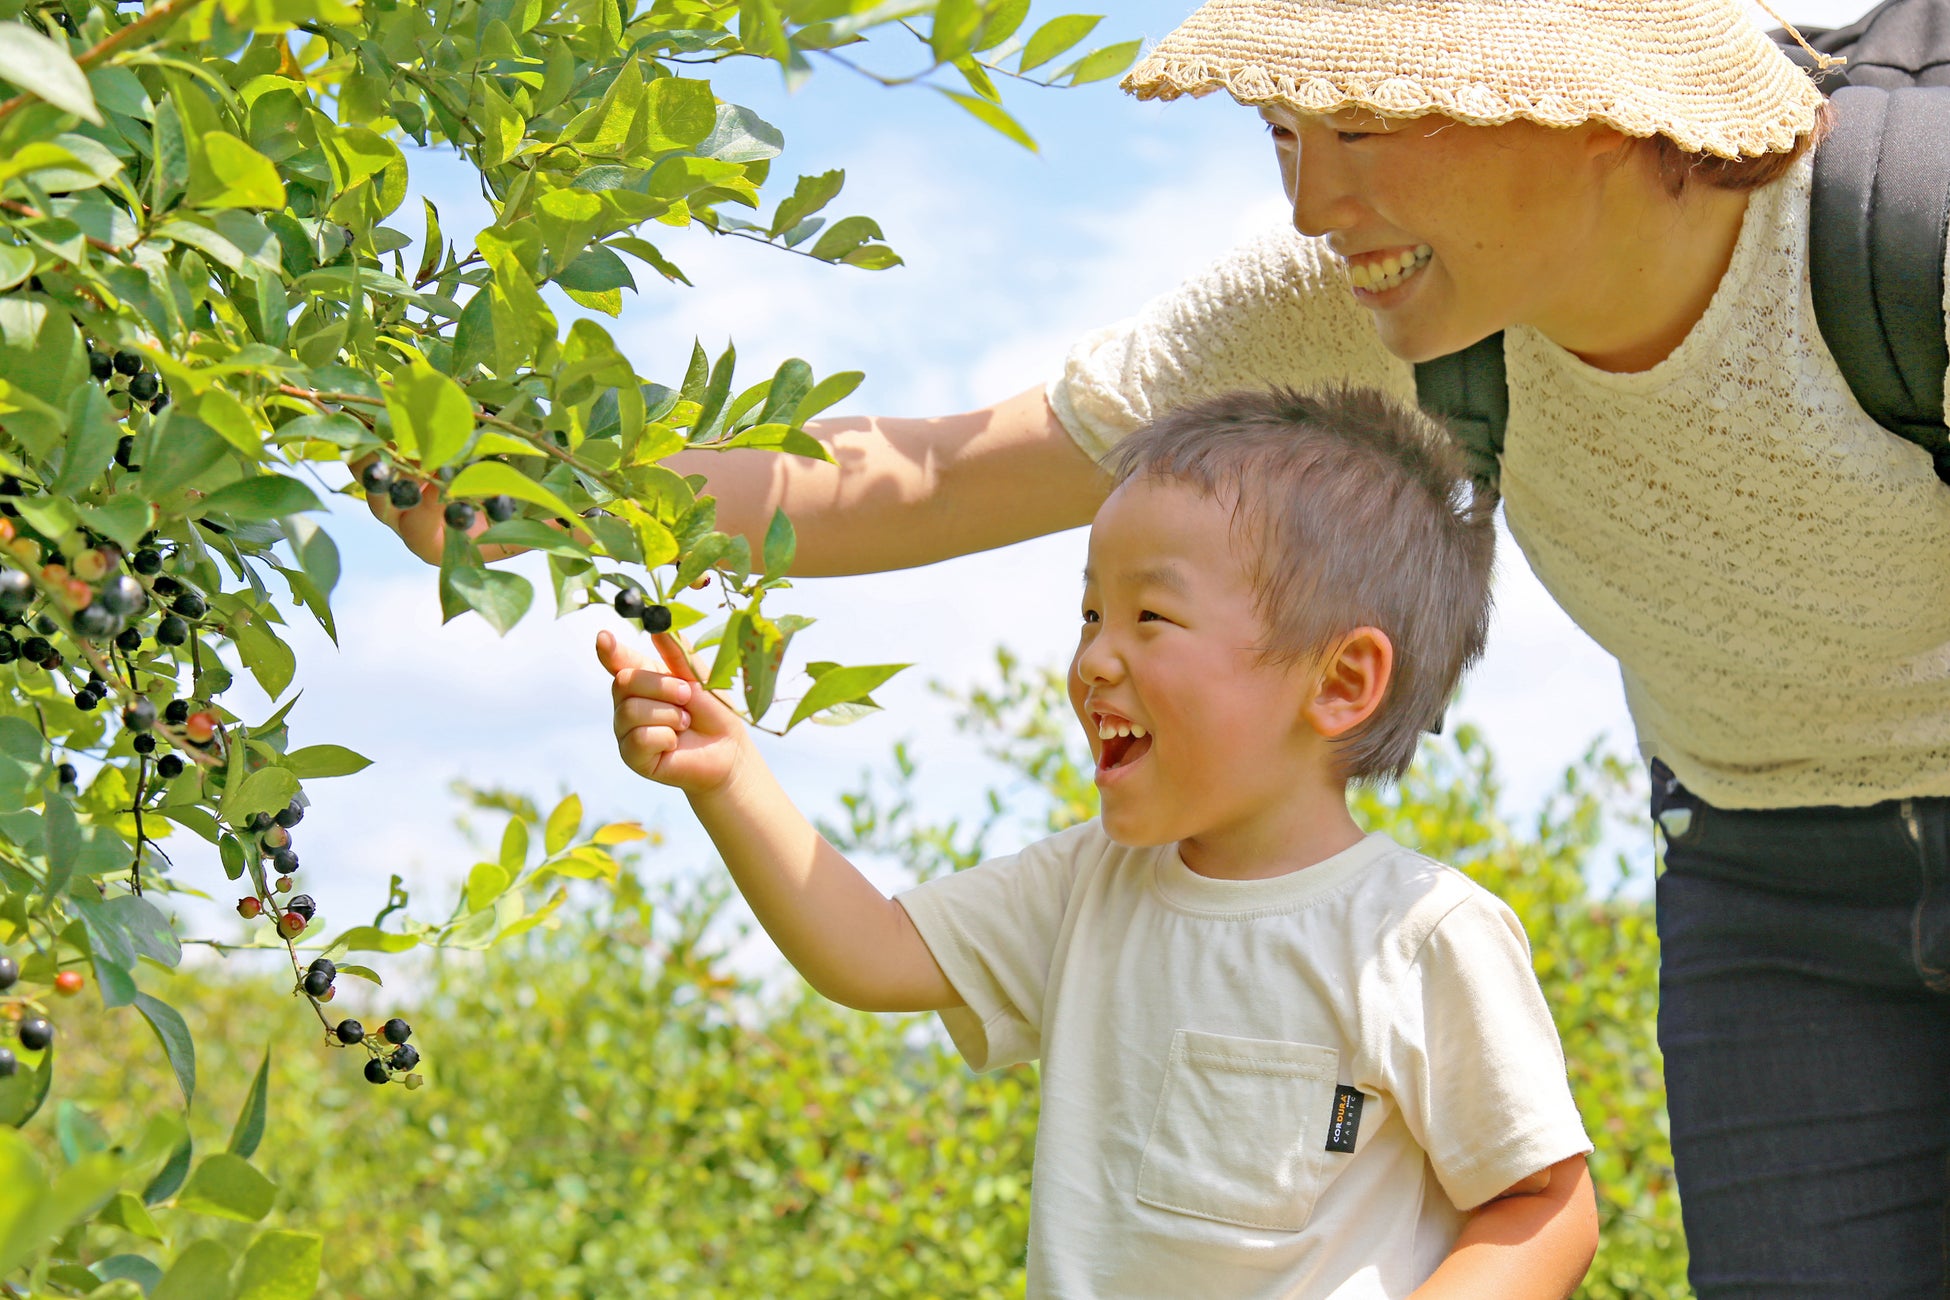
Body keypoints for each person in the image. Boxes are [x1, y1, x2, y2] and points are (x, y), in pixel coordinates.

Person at [377, 1, 1950, 1291]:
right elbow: (929, 474)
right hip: (1770, 880)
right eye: (1285, 135)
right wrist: (559, 491)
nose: (1311, 202)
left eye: (1363, 126)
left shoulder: (1902, 247)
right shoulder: (1349, 305)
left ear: (1595, 113)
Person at [596, 386, 1597, 1299]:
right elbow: (871, 952)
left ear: (1338, 683)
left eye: (1149, 615)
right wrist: (729, 777)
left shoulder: (1419, 936)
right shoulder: (1091, 886)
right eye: (1090, 613)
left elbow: (1546, 1205)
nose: (1093, 659)